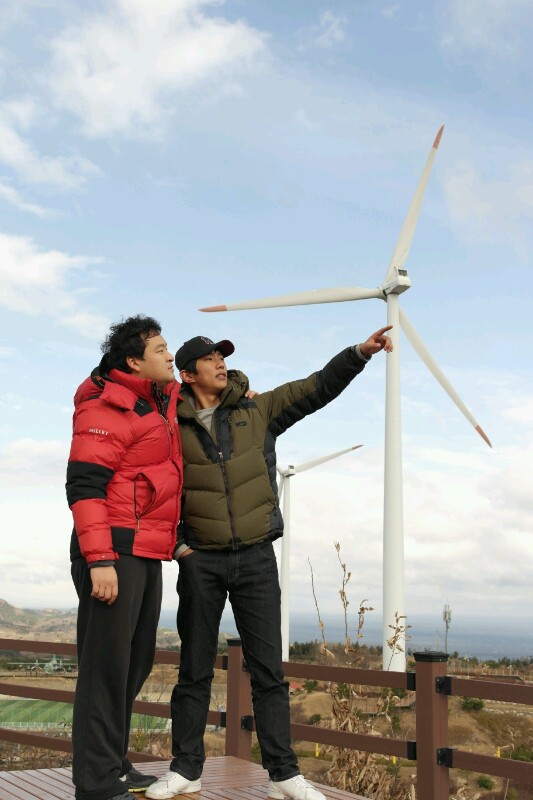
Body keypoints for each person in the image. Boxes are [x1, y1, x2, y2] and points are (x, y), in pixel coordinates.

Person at [146, 327, 393, 800]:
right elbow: (154, 485)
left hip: (257, 558)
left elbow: (316, 387)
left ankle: (283, 775)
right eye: (209, 358)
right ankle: (185, 770)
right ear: (188, 374)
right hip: (201, 561)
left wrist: (359, 353)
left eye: (222, 356)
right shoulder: (168, 424)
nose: (220, 363)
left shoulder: (257, 410)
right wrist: (178, 547)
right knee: (194, 671)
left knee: (269, 674)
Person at [66, 315, 182, 800]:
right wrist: (100, 560)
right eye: (160, 349)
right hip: (112, 549)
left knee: (134, 663)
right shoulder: (107, 406)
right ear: (134, 361)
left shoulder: (157, 400)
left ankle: (112, 762)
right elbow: (84, 485)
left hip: (144, 547)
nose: (170, 355)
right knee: (106, 667)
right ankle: (95, 781)